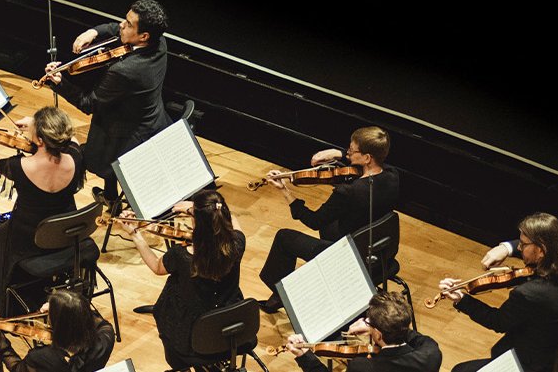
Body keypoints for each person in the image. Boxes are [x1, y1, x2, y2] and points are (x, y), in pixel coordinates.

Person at [41, 0, 172, 211]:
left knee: (81, 152)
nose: (121, 25)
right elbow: (115, 28)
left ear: (143, 36)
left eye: (129, 24)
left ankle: (59, 195)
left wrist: (60, 83)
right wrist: (93, 32)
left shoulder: (126, 71)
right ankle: (110, 197)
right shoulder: (159, 43)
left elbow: (88, 103)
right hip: (154, 120)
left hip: (127, 136)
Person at [257, 126, 401, 313]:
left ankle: (281, 295)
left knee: (284, 237)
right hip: (377, 250)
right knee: (328, 227)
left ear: (366, 158)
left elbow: (314, 220)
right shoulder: (393, 175)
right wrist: (338, 153)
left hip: (349, 257)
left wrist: (286, 192)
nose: (348, 153)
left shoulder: (348, 192)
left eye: (351, 151)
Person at [0, 106, 83, 315]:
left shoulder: (21, 167)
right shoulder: (76, 156)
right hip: (64, 233)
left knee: (4, 232)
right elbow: (72, 140)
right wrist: (37, 124)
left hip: (30, 238)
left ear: (41, 141)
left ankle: (11, 304)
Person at [441, 213, 558, 372]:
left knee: (460, 370)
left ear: (541, 250)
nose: (519, 247)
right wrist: (506, 248)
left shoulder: (529, 294)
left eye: (522, 244)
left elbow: (497, 321)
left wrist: (461, 299)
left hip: (535, 364)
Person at [114, 189, 244, 369]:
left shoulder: (182, 256)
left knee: (168, 301)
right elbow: (233, 220)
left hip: (192, 337)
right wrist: (199, 209)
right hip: (230, 325)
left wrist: (135, 234)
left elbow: (156, 267)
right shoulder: (237, 244)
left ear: (196, 221)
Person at [285, 291, 442, 372]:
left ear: (379, 334)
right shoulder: (431, 353)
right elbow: (415, 337)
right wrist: (378, 325)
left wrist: (305, 357)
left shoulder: (365, 367)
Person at [0, 288, 116, 372]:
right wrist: (66, 307)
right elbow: (93, 319)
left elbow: (17, 369)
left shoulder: (43, 357)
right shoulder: (106, 336)